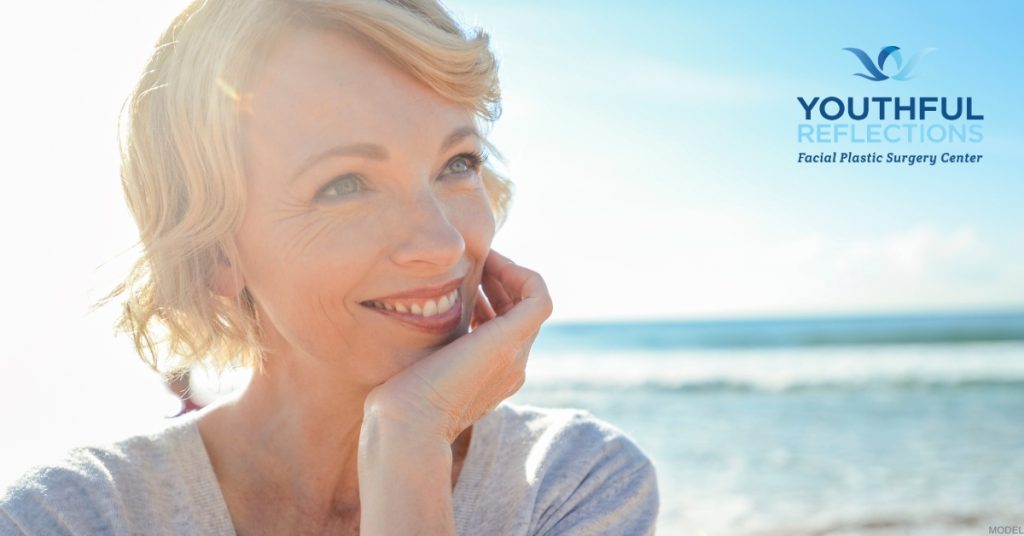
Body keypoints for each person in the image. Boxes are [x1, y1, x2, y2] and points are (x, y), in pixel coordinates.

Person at [0, 0, 660, 534]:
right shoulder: (72, 519)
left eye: (458, 163)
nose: (441, 243)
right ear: (213, 255)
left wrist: (408, 443)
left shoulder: (574, 483)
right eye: (345, 184)